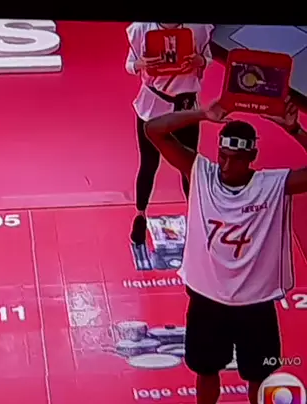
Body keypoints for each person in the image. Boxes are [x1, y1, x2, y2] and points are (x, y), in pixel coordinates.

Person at [144, 99, 307, 404]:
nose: (228, 166)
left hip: (255, 304)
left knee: (260, 376)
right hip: (207, 301)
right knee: (206, 371)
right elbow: (153, 129)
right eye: (223, 156)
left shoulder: (273, 185)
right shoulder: (200, 172)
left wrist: (295, 130)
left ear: (253, 157)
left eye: (238, 159)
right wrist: (203, 114)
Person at [125, 22, 216, 244]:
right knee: (149, 164)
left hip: (185, 107)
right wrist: (140, 63)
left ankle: (196, 219)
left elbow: (208, 58)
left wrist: (200, 61)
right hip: (152, 106)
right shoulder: (141, 29)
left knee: (189, 167)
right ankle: (140, 215)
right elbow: (129, 64)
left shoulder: (198, 28)